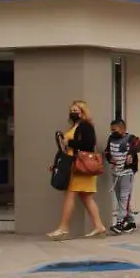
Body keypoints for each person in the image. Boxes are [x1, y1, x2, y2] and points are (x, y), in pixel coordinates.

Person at [47, 100, 108, 240]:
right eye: (72, 110)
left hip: (80, 166)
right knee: (86, 197)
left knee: (70, 194)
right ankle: (99, 226)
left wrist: (70, 142)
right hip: (74, 166)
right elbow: (64, 150)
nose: (73, 113)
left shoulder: (85, 126)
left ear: (83, 112)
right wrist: (56, 164)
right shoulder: (74, 126)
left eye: (76, 110)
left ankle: (63, 227)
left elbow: (89, 144)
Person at [103, 118, 140, 235]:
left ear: (123, 129)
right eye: (111, 130)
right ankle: (131, 222)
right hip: (115, 173)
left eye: (115, 130)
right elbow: (107, 152)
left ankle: (120, 222)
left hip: (127, 172)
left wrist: (131, 154)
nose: (113, 132)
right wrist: (110, 159)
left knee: (124, 197)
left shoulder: (131, 138)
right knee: (121, 199)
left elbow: (138, 145)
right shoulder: (111, 139)